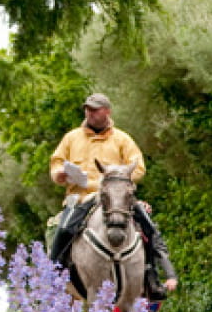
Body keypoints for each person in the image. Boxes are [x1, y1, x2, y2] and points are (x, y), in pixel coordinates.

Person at [48, 93, 178, 296]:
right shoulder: (71, 138)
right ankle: (52, 276)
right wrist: (60, 174)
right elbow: (56, 163)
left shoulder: (122, 139)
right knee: (64, 230)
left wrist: (118, 179)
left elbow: (139, 167)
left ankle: (152, 277)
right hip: (81, 198)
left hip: (117, 197)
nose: (89, 113)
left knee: (148, 227)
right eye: (87, 109)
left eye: (95, 109)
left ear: (107, 111)